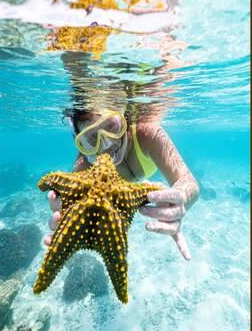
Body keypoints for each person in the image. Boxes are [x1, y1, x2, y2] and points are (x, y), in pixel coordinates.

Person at [44, 107, 200, 260]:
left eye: (111, 126)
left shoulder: (147, 133)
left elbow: (188, 181)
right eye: (92, 137)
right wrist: (69, 223)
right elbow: (75, 213)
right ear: (83, 145)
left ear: (124, 119)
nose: (106, 144)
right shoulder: (84, 167)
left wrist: (181, 198)